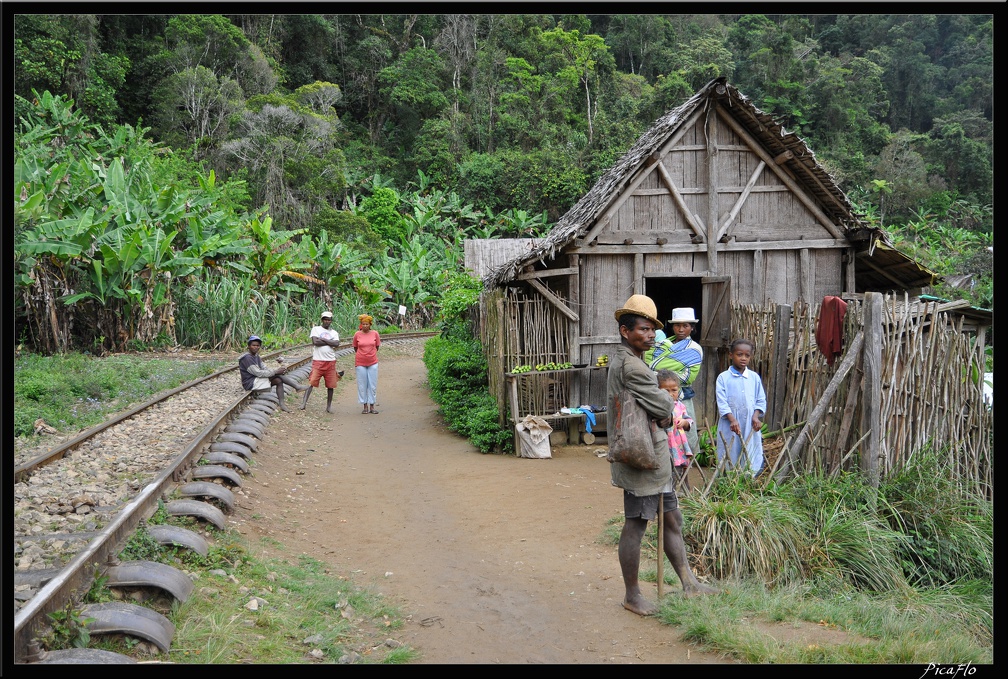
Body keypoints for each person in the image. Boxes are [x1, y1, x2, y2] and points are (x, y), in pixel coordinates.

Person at [608, 294, 717, 616]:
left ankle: (689, 583)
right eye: (643, 329)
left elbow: (659, 406)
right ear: (625, 331)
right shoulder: (633, 366)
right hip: (641, 456)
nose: (650, 335)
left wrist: (662, 411)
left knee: (672, 518)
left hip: (653, 455)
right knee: (636, 524)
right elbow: (664, 405)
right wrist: (665, 409)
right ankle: (632, 595)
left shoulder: (631, 360)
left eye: (653, 330)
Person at [645, 307, 703, 460]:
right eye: (677, 325)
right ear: (672, 326)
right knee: (662, 432)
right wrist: (659, 372)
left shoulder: (695, 349)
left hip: (682, 397)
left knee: (684, 429)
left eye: (685, 325)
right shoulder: (661, 344)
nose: (681, 329)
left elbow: (688, 376)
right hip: (659, 396)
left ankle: (685, 465)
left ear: (692, 327)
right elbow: (648, 365)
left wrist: (659, 374)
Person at [715, 338, 767, 476]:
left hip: (749, 424)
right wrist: (732, 419)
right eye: (739, 354)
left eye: (747, 355)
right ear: (731, 355)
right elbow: (722, 402)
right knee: (730, 450)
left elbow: (761, 400)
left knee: (750, 451)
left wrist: (756, 417)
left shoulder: (754, 378)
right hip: (730, 425)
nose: (743, 358)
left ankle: (748, 481)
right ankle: (728, 480)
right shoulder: (723, 378)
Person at [238, 335, 307, 412]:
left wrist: (275, 371)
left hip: (257, 380)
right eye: (253, 345)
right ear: (249, 346)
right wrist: (276, 371)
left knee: (278, 380)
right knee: (277, 375)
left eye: (258, 345)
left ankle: (282, 404)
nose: (256, 347)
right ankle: (297, 387)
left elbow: (264, 368)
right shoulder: (247, 358)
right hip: (250, 383)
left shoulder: (256, 356)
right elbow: (258, 373)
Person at [301, 311, 345, 413]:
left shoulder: (334, 332)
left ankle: (328, 406)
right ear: (322, 320)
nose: (327, 321)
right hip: (318, 361)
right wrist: (330, 342)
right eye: (325, 319)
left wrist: (323, 340)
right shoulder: (315, 329)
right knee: (311, 382)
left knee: (331, 385)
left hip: (330, 361)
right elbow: (315, 342)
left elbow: (337, 344)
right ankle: (303, 403)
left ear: (331, 321)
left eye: (328, 320)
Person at [656, 369, 693, 491]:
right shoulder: (657, 406)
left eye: (674, 390)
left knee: (679, 466)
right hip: (665, 444)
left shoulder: (680, 406)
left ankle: (681, 488)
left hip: (678, 444)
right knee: (666, 468)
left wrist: (684, 422)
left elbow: (689, 421)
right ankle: (667, 492)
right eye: (666, 391)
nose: (671, 394)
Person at [353, 313, 381, 414]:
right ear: (361, 325)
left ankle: (372, 406)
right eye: (363, 324)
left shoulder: (375, 334)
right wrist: (363, 355)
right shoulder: (357, 334)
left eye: (367, 324)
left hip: (373, 362)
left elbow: (377, 346)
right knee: (362, 385)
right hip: (360, 363)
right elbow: (355, 347)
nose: (365, 326)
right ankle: (365, 406)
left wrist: (370, 354)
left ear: (370, 324)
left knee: (372, 385)